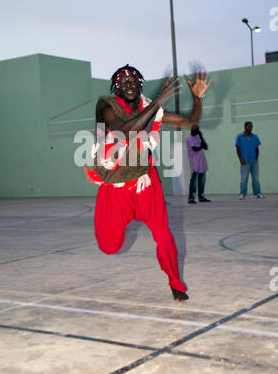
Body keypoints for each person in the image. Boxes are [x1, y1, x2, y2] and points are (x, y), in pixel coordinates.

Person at [85, 65, 210, 301]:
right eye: (123, 81)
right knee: (108, 246)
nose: (129, 83)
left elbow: (191, 121)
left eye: (134, 79)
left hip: (144, 181)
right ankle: (115, 232)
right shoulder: (106, 105)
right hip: (115, 185)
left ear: (140, 85)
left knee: (163, 235)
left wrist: (198, 98)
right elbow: (123, 131)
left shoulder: (150, 108)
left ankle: (176, 283)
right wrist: (157, 103)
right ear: (117, 88)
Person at [235, 121, 265, 200]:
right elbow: (237, 149)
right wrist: (240, 159)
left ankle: (257, 193)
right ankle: (242, 194)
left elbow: (257, 148)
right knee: (244, 178)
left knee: (255, 178)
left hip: (254, 161)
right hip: (244, 161)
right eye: (249, 126)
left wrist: (256, 158)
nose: (251, 128)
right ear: (245, 127)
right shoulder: (239, 137)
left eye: (251, 127)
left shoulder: (255, 137)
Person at [186, 125, 210, 204]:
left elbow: (206, 147)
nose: (197, 131)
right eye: (196, 130)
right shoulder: (189, 138)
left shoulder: (198, 137)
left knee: (202, 181)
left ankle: (201, 197)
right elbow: (194, 149)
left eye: (198, 130)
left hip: (201, 163)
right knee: (193, 181)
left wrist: (201, 136)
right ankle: (191, 198)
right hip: (194, 163)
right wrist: (201, 146)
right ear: (192, 130)